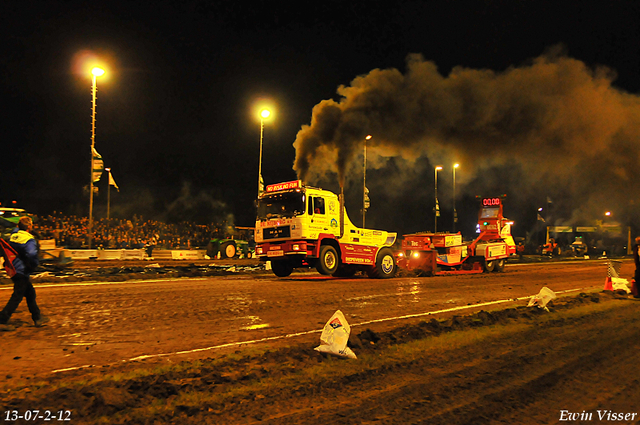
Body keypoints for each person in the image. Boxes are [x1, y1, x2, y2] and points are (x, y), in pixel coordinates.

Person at [0, 217, 49, 331]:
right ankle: (2, 319)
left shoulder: (12, 236)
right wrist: (34, 265)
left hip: (13, 268)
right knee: (17, 296)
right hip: (22, 270)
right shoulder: (28, 239)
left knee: (30, 293)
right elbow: (31, 254)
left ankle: (37, 317)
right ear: (30, 226)